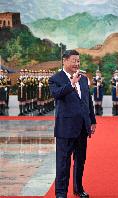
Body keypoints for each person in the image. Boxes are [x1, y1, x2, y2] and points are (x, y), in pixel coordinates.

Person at [49, 50, 96, 198]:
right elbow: (56, 94)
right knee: (63, 162)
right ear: (65, 61)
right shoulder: (55, 78)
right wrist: (71, 84)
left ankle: (78, 188)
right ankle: (61, 193)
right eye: (74, 61)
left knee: (80, 161)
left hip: (82, 127)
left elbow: (88, 101)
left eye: (78, 61)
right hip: (66, 128)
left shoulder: (82, 79)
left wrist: (92, 120)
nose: (77, 64)